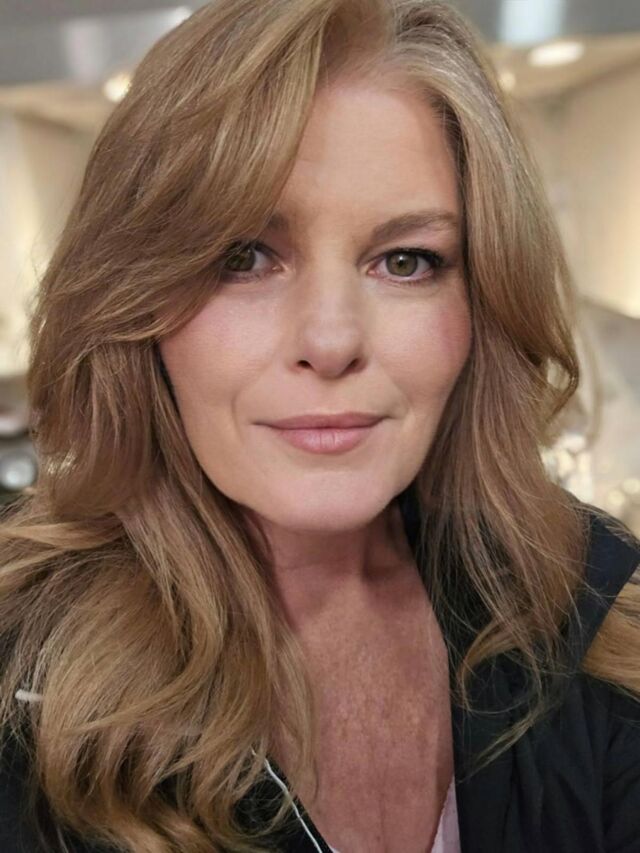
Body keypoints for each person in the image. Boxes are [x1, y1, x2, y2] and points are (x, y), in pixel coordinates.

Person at [0, 0, 638, 850]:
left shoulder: (587, 615)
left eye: (406, 261)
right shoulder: (23, 692)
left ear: (480, 304)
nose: (332, 341)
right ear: (134, 301)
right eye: (243, 257)